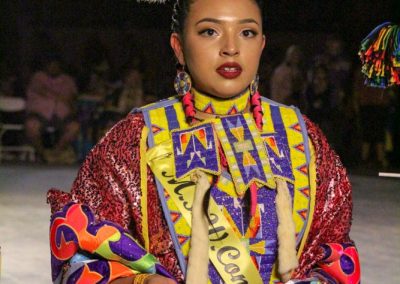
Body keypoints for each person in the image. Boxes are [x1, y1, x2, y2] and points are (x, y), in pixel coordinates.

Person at [47, 1, 360, 283]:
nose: (231, 48)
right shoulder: (135, 139)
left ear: (262, 44)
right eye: (210, 31)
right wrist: (141, 283)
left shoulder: (303, 138)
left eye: (247, 33)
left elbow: (337, 254)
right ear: (179, 46)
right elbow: (78, 250)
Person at [25, 55, 79, 163]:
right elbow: (39, 90)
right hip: (40, 112)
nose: (53, 68)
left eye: (56, 66)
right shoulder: (38, 77)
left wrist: (57, 97)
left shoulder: (67, 80)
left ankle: (56, 152)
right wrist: (57, 96)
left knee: (74, 128)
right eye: (51, 65)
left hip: (62, 113)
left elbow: (71, 96)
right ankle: (42, 154)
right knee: (31, 127)